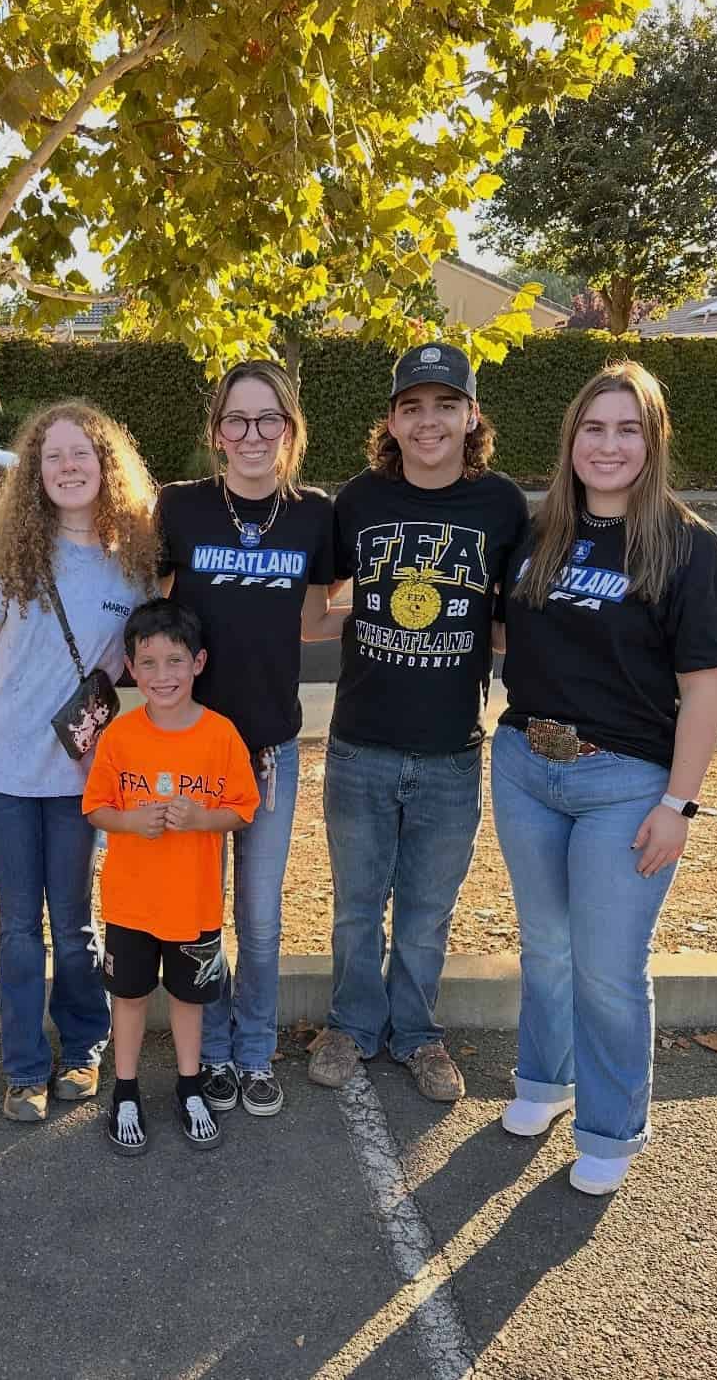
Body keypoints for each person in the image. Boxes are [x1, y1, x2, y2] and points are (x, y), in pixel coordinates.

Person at [491, 360, 717, 1195]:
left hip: (625, 783)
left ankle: (609, 1127)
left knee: (607, 962)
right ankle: (544, 1083)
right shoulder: (540, 532)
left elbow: (706, 691)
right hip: (527, 765)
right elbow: (508, 636)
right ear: (570, 440)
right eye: (593, 429)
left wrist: (679, 802)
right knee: (547, 947)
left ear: (653, 441)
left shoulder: (688, 547)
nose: (608, 445)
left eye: (626, 429)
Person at [304, 343, 529, 1101]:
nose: (428, 420)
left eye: (444, 405)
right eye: (411, 407)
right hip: (360, 740)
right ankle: (350, 1025)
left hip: (451, 748)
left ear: (471, 416)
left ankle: (418, 1034)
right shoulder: (358, 501)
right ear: (391, 422)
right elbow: (314, 602)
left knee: (428, 912)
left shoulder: (502, 506)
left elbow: (509, 621)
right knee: (356, 905)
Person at [0, 401, 159, 1124]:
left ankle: (82, 1047)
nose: (69, 467)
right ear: (36, 474)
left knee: (75, 927)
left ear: (107, 466)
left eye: (82, 454)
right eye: (53, 457)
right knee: (17, 928)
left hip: (78, 774)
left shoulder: (134, 566)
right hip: (1, 766)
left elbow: (148, 662)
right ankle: (24, 1068)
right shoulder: (10, 558)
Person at [157, 360, 335, 1117]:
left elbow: (313, 619)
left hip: (269, 748)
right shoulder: (179, 507)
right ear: (216, 431)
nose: (253, 434)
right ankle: (218, 1049)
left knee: (259, 918)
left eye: (270, 420)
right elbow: (148, 615)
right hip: (191, 749)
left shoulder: (315, 514)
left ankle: (256, 1050)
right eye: (238, 419)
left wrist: (389, 612)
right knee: (199, 915)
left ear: (290, 431)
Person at [83, 600, 260, 1153]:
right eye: (149, 663)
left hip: (193, 902)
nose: (163, 676)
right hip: (131, 904)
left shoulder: (220, 734)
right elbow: (95, 808)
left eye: (176, 661)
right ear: (131, 669)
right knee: (129, 998)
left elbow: (243, 808)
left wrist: (203, 818)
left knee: (189, 999)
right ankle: (127, 1090)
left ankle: (189, 1086)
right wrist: (132, 821)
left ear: (199, 663)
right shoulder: (120, 735)